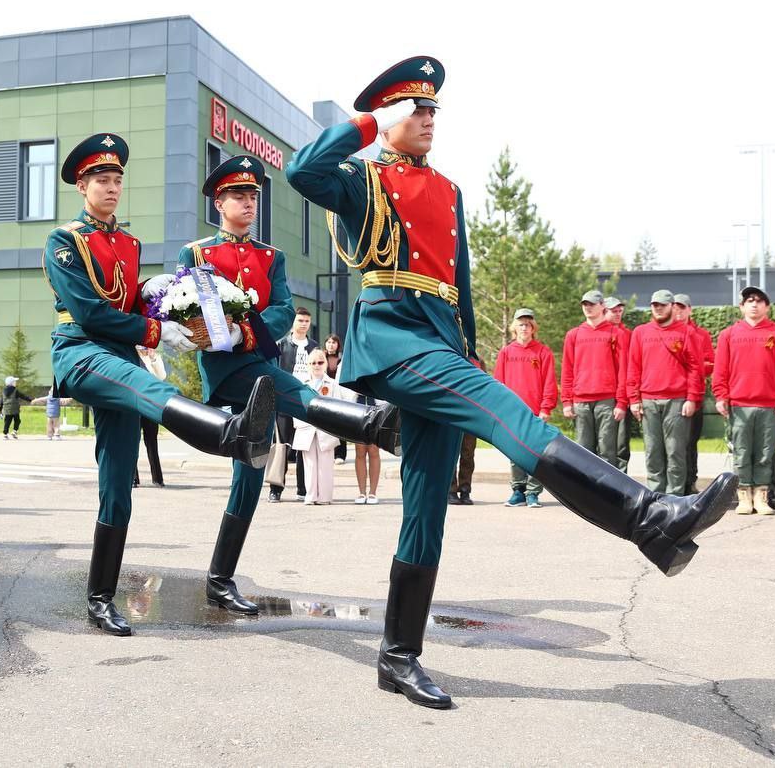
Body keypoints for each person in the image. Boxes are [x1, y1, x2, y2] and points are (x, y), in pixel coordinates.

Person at [287, 54, 736, 709]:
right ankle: (648, 517)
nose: (429, 118)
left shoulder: (448, 190)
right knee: (512, 417)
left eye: (434, 109)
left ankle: (398, 655)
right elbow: (302, 172)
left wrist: (466, 348)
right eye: (416, 108)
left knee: (426, 511)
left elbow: (459, 285)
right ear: (388, 118)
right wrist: (360, 126)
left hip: (439, 338)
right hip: (391, 336)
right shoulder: (362, 177)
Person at [44, 132, 276, 637]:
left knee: (119, 483)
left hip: (123, 356)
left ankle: (100, 598)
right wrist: (153, 329)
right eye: (101, 180)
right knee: (146, 392)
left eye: (116, 180)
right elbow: (88, 311)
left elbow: (125, 306)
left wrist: (158, 303)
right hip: (81, 351)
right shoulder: (65, 240)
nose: (111, 188)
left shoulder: (128, 243)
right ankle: (229, 432)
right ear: (81, 186)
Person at [174, 153, 397, 611]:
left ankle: (219, 579)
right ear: (219, 202)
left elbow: (281, 310)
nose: (249, 202)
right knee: (282, 391)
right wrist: (219, 333)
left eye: (253, 195)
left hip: (258, 362)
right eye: (239, 194)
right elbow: (188, 303)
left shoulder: (271, 257)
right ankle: (373, 425)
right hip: (226, 371)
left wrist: (242, 328)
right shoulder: (197, 254)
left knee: (250, 474)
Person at [712, 286, 775, 516]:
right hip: (739, 404)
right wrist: (721, 396)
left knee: (765, 453)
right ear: (742, 307)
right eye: (749, 301)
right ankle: (744, 496)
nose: (754, 304)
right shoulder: (729, 334)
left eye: (759, 301)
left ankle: (761, 496)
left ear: (767, 307)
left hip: (768, 404)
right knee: (742, 451)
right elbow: (721, 369)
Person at [626, 291, 703, 495]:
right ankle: (656, 495)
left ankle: (674, 496)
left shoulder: (686, 332)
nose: (658, 308)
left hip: (677, 400)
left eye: (662, 305)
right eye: (654, 305)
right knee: (652, 452)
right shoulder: (641, 332)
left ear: (671, 306)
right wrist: (634, 399)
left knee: (675, 451)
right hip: (648, 399)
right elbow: (633, 367)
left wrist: (692, 398)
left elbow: (695, 367)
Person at [494, 309, 558, 507]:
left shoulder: (542, 352)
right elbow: (498, 383)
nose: (524, 328)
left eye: (528, 325)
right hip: (513, 411)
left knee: (535, 452)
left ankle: (533, 492)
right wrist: (500, 408)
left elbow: (549, 382)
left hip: (536, 411)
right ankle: (518, 490)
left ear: (533, 328)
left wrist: (546, 408)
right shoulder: (506, 352)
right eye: (520, 324)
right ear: (515, 327)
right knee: (515, 452)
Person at [561, 290, 628, 465]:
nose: (588, 307)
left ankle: (608, 491)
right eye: (585, 304)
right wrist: (567, 401)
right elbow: (567, 369)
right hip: (580, 401)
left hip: (607, 400)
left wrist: (621, 402)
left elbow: (623, 370)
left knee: (607, 451)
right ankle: (584, 491)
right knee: (583, 452)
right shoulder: (573, 335)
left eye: (592, 304)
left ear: (602, 306)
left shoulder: (615, 333)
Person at [271, 308, 319, 502]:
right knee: (281, 445)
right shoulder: (281, 344)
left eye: (307, 321)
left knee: (304, 446)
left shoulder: (314, 346)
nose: (304, 324)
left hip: (305, 400)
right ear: (293, 322)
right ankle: (276, 488)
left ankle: (303, 488)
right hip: (284, 400)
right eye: (300, 320)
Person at [291, 349, 349, 504]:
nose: (317, 365)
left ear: (325, 364)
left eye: (320, 362)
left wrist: (334, 427)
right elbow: (296, 408)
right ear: (308, 365)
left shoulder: (332, 384)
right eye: (313, 363)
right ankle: (310, 496)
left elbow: (338, 407)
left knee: (325, 465)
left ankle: (324, 497)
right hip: (307, 427)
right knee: (309, 464)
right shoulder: (302, 385)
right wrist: (299, 425)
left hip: (326, 429)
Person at [673, 293, 714, 495]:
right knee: (673, 443)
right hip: (673, 394)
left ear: (690, 310)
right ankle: (675, 483)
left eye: (682, 307)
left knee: (690, 442)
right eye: (675, 307)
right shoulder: (667, 333)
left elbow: (710, 364)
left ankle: (690, 481)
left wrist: (693, 366)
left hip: (694, 397)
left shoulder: (701, 335)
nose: (678, 311)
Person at [448, 354, 486, 506]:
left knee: (468, 453)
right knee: (451, 453)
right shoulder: (452, 357)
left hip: (471, 413)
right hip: (452, 412)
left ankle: (465, 489)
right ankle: (450, 490)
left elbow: (483, 385)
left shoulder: (478, 361)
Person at [604, 296, 633, 472]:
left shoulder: (628, 335)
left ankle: (622, 479)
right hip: (603, 395)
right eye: (613, 310)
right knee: (603, 444)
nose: (617, 313)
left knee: (621, 443)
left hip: (623, 395)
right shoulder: (598, 335)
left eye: (619, 310)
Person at [133, 347, 166, 488]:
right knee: (132, 442)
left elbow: (162, 376)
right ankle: (133, 478)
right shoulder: (131, 356)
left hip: (151, 404)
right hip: (134, 403)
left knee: (152, 442)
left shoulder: (153, 357)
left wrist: (153, 359)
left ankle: (157, 478)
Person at [324, 334, 347, 463]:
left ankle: (340, 454)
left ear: (338, 345)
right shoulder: (320, 357)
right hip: (324, 395)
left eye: (334, 342)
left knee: (340, 425)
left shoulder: (342, 358)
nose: (331, 344)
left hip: (339, 395)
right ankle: (328, 452)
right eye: (328, 342)